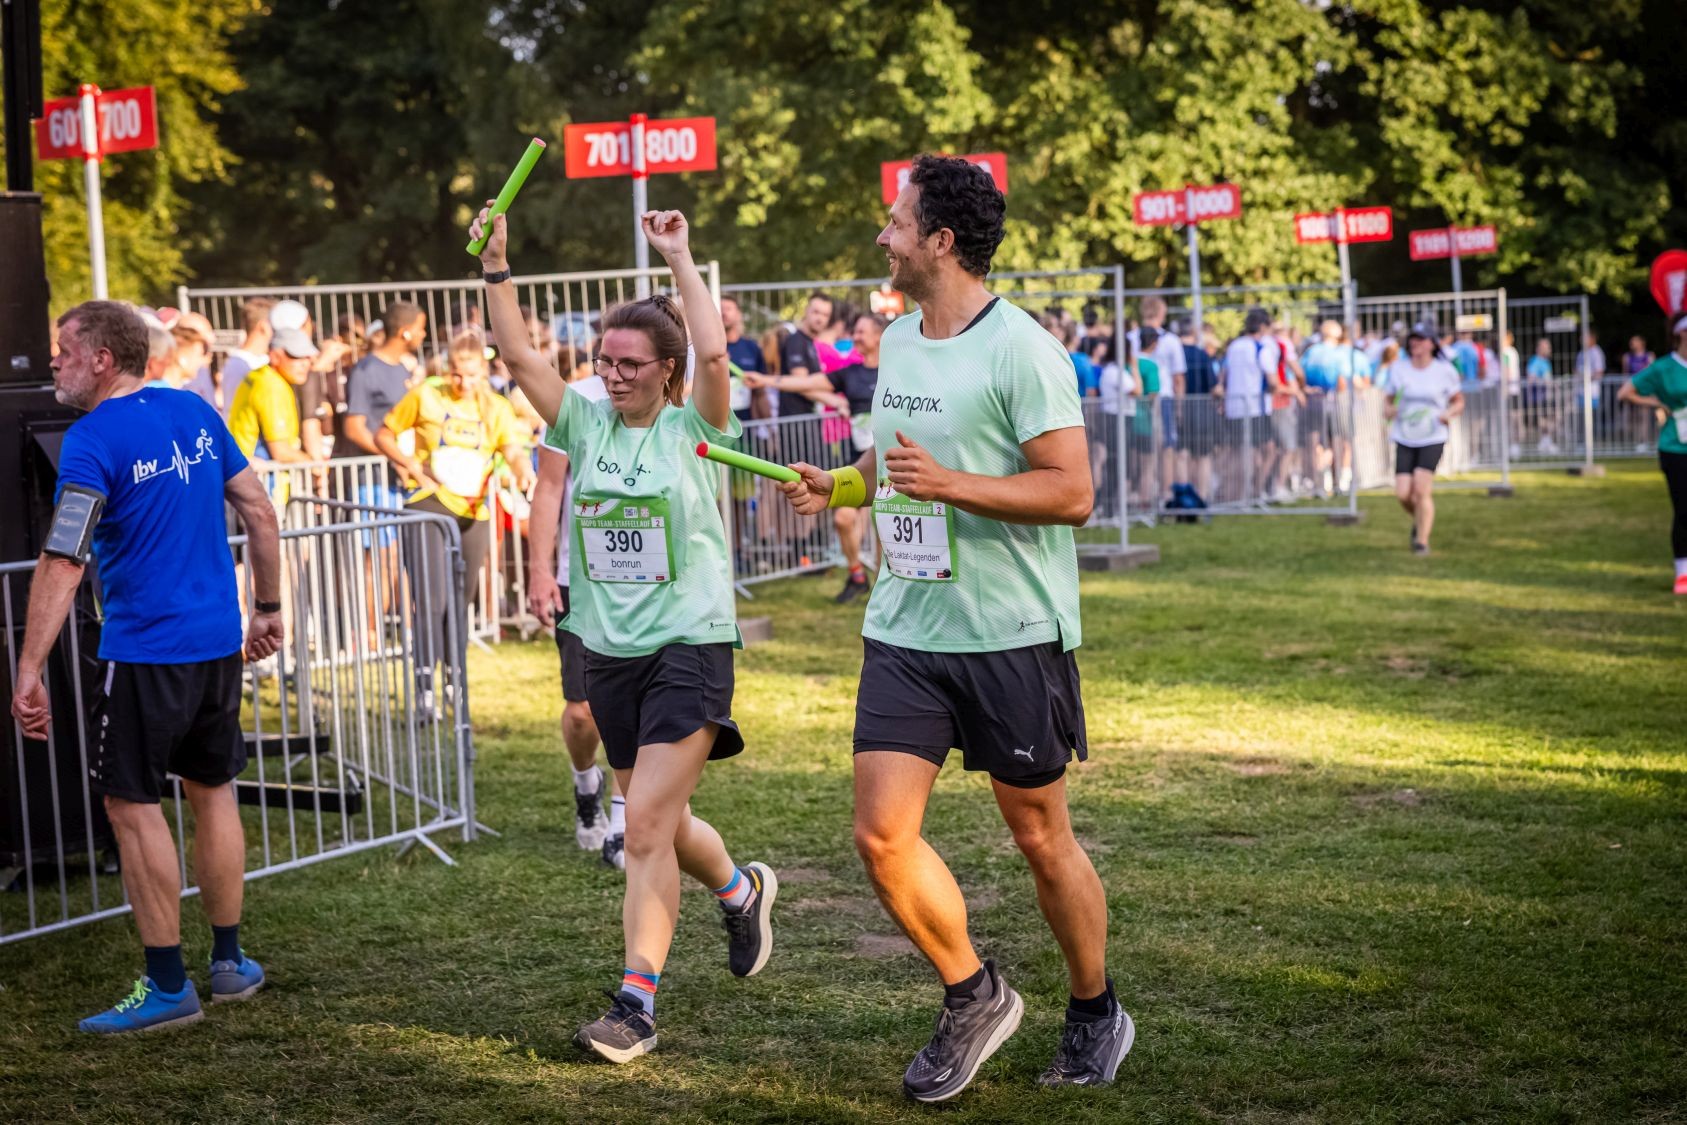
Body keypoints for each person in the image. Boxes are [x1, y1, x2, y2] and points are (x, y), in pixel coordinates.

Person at [776, 155, 1130, 1099]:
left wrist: (952, 485)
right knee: (879, 835)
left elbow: (1072, 491)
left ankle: (1094, 1007)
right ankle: (972, 993)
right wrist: (839, 485)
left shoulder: (1022, 349)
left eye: (895, 223)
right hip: (907, 626)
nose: (881, 237)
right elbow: (889, 463)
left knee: (1039, 834)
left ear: (939, 241)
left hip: (1009, 628)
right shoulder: (898, 340)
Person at [473, 201, 779, 1064]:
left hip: (688, 642)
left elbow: (713, 356)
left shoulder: (696, 429)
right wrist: (496, 265)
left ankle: (634, 1005)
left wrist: (680, 256)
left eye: (628, 363)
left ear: (664, 369)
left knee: (641, 823)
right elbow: (518, 356)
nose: (609, 375)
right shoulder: (582, 423)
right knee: (663, 821)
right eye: (603, 361)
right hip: (607, 646)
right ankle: (739, 889)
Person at [11, 301, 283, 1033]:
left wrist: (29, 668)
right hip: (216, 643)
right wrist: (268, 607)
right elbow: (259, 511)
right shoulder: (193, 409)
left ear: (102, 358)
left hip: (144, 652)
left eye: (64, 349)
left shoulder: (92, 436)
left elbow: (64, 557)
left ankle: (168, 986)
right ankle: (229, 963)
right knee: (213, 790)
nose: (54, 361)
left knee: (132, 807)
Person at [375, 332, 534, 703]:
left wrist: (523, 469)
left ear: (484, 372)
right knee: (431, 599)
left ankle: (454, 678)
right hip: (428, 503)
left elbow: (511, 449)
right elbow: (384, 433)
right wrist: (410, 464)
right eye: (457, 374)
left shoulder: (496, 407)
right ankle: (424, 683)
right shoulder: (426, 396)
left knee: (461, 598)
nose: (464, 382)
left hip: (474, 511)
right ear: (448, 370)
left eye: (472, 374)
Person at [527, 359, 627, 867]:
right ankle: (586, 781)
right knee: (583, 711)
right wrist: (539, 570)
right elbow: (549, 487)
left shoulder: (674, 397)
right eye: (611, 358)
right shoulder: (575, 402)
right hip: (581, 580)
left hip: (648, 582)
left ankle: (624, 821)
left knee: (638, 705)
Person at [752, 313, 886, 603]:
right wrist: (765, 379)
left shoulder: (894, 372)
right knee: (843, 519)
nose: (856, 336)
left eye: (862, 331)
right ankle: (857, 575)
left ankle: (880, 589)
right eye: (855, 331)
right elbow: (806, 383)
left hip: (889, 466)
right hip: (859, 464)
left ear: (879, 337)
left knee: (882, 527)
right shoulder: (849, 373)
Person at [1617, 316, 1687, 595]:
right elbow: (1625, 392)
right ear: (1681, 334)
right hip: (1675, 447)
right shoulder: (1663, 367)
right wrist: (1656, 402)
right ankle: (1682, 572)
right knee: (1684, 510)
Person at [1384, 321, 1465, 555]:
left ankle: (1422, 541)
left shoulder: (1444, 371)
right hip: (1404, 434)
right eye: (1413, 339)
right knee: (1403, 493)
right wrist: (1388, 410)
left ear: (1432, 344)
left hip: (1433, 435)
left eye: (1420, 339)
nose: (1415, 343)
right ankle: (1420, 520)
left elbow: (1458, 401)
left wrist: (1449, 413)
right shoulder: (1399, 369)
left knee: (1421, 489)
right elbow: (1388, 400)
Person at [227, 328, 322, 510]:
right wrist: (315, 466)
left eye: (307, 357)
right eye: (296, 356)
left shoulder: (259, 376)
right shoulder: (272, 387)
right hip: (262, 485)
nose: (305, 363)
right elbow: (281, 451)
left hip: (246, 481)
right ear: (276, 356)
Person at [1217, 309, 1280, 503]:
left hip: (1234, 407)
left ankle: (1233, 493)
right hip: (1255, 407)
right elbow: (1273, 380)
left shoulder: (1234, 346)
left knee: (1240, 452)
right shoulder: (1260, 348)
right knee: (1266, 451)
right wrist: (1273, 390)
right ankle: (1254, 491)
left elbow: (1223, 375)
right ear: (1262, 327)